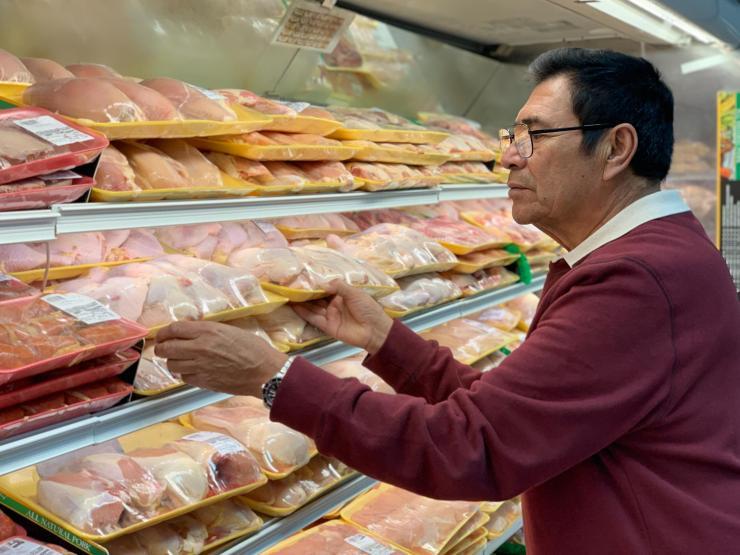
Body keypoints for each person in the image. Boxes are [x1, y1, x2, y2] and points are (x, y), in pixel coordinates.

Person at [155, 48, 740, 553]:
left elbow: (474, 446)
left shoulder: (637, 279)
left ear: (616, 148)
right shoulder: (655, 256)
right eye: (511, 136)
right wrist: (390, 345)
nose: (508, 156)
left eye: (532, 135)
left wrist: (273, 376)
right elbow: (521, 421)